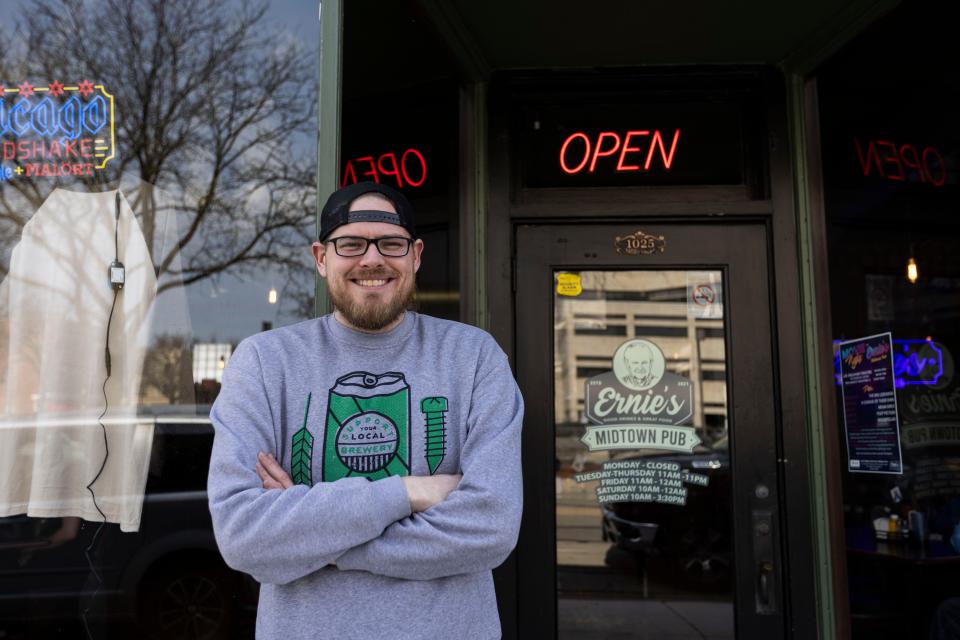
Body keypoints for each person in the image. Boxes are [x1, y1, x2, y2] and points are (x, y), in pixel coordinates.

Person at [207, 181, 524, 640]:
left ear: (415, 255)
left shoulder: (474, 357)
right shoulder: (264, 362)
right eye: (351, 244)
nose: (372, 259)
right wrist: (410, 492)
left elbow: (491, 527)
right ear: (321, 257)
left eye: (390, 244)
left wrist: (321, 543)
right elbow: (243, 534)